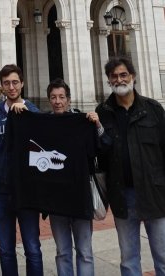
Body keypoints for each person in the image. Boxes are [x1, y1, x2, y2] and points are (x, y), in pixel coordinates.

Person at [96, 57, 165, 276]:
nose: (119, 79)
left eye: (123, 74)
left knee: (163, 255)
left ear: (132, 76)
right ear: (108, 81)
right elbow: (100, 155)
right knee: (128, 258)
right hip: (122, 195)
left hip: (154, 193)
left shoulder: (153, 109)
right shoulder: (103, 112)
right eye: (114, 76)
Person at [0, 64, 43, 276]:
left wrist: (26, 117)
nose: (11, 87)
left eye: (15, 82)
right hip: (0, 191)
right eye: (7, 83)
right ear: (1, 86)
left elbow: (42, 147)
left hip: (26, 191)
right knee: (6, 250)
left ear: (22, 84)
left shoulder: (33, 112)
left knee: (32, 248)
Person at [46, 78, 103, 276]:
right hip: (56, 199)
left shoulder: (81, 122)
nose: (58, 101)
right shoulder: (44, 124)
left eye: (62, 97)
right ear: (49, 100)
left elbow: (100, 147)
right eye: (53, 97)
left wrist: (96, 125)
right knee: (62, 251)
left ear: (69, 100)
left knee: (85, 251)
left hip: (80, 195)